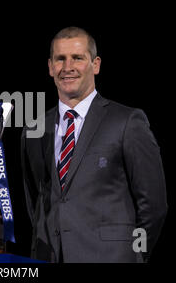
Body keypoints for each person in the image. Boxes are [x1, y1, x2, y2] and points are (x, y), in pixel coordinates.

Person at [20, 27, 168, 263]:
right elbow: (36, 203)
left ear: (95, 64)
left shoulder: (127, 121)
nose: (68, 67)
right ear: (50, 67)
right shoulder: (34, 129)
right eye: (60, 59)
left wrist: (134, 255)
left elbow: (153, 204)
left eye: (77, 58)